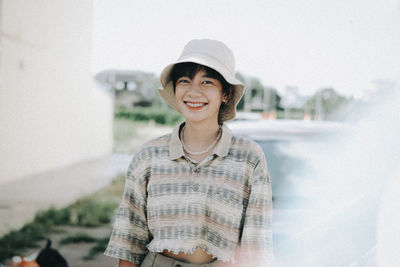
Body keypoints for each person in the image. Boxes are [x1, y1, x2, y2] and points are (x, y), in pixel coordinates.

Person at [104, 39, 274, 267]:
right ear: (175, 88)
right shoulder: (148, 156)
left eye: (207, 82)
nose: (194, 92)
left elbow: (255, 248)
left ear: (226, 93)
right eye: (185, 81)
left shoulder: (249, 157)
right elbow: (129, 242)